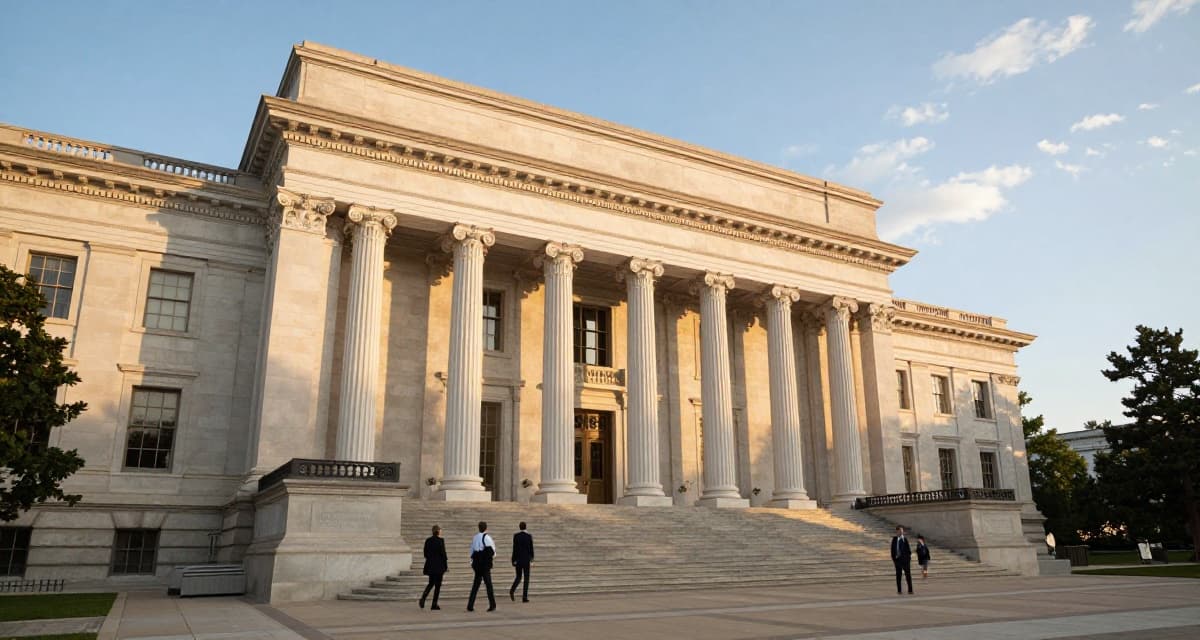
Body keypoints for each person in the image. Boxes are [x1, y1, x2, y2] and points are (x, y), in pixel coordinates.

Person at [467, 521, 497, 612]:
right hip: (485, 565)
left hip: (477, 564)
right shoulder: (487, 537)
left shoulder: (475, 537)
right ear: (486, 528)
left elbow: (471, 551)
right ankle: (492, 605)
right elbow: (493, 551)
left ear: (478, 528)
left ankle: (470, 605)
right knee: (488, 585)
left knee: (475, 585)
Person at [419, 525, 447, 610]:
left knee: (431, 583)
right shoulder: (441, 541)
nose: (441, 531)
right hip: (439, 566)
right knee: (438, 585)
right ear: (438, 531)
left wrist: (431, 559)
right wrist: (445, 566)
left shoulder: (428, 540)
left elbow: (425, 554)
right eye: (440, 530)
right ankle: (434, 604)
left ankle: (423, 597)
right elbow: (443, 554)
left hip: (431, 565)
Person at [510, 521, 535, 603]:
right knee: (526, 578)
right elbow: (531, 548)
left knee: (518, 577)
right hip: (526, 560)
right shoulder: (529, 536)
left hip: (519, 560)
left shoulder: (516, 536)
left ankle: (512, 590)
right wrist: (532, 558)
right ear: (526, 527)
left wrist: (513, 560)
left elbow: (515, 549)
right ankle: (524, 597)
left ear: (519, 527)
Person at [891, 525, 913, 594]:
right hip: (898, 561)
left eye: (902, 531)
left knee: (908, 576)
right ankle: (899, 590)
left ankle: (910, 590)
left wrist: (908, 559)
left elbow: (909, 551)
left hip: (906, 561)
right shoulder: (894, 540)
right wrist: (894, 560)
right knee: (898, 576)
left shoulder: (905, 539)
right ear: (897, 531)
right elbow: (892, 551)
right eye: (900, 531)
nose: (901, 532)